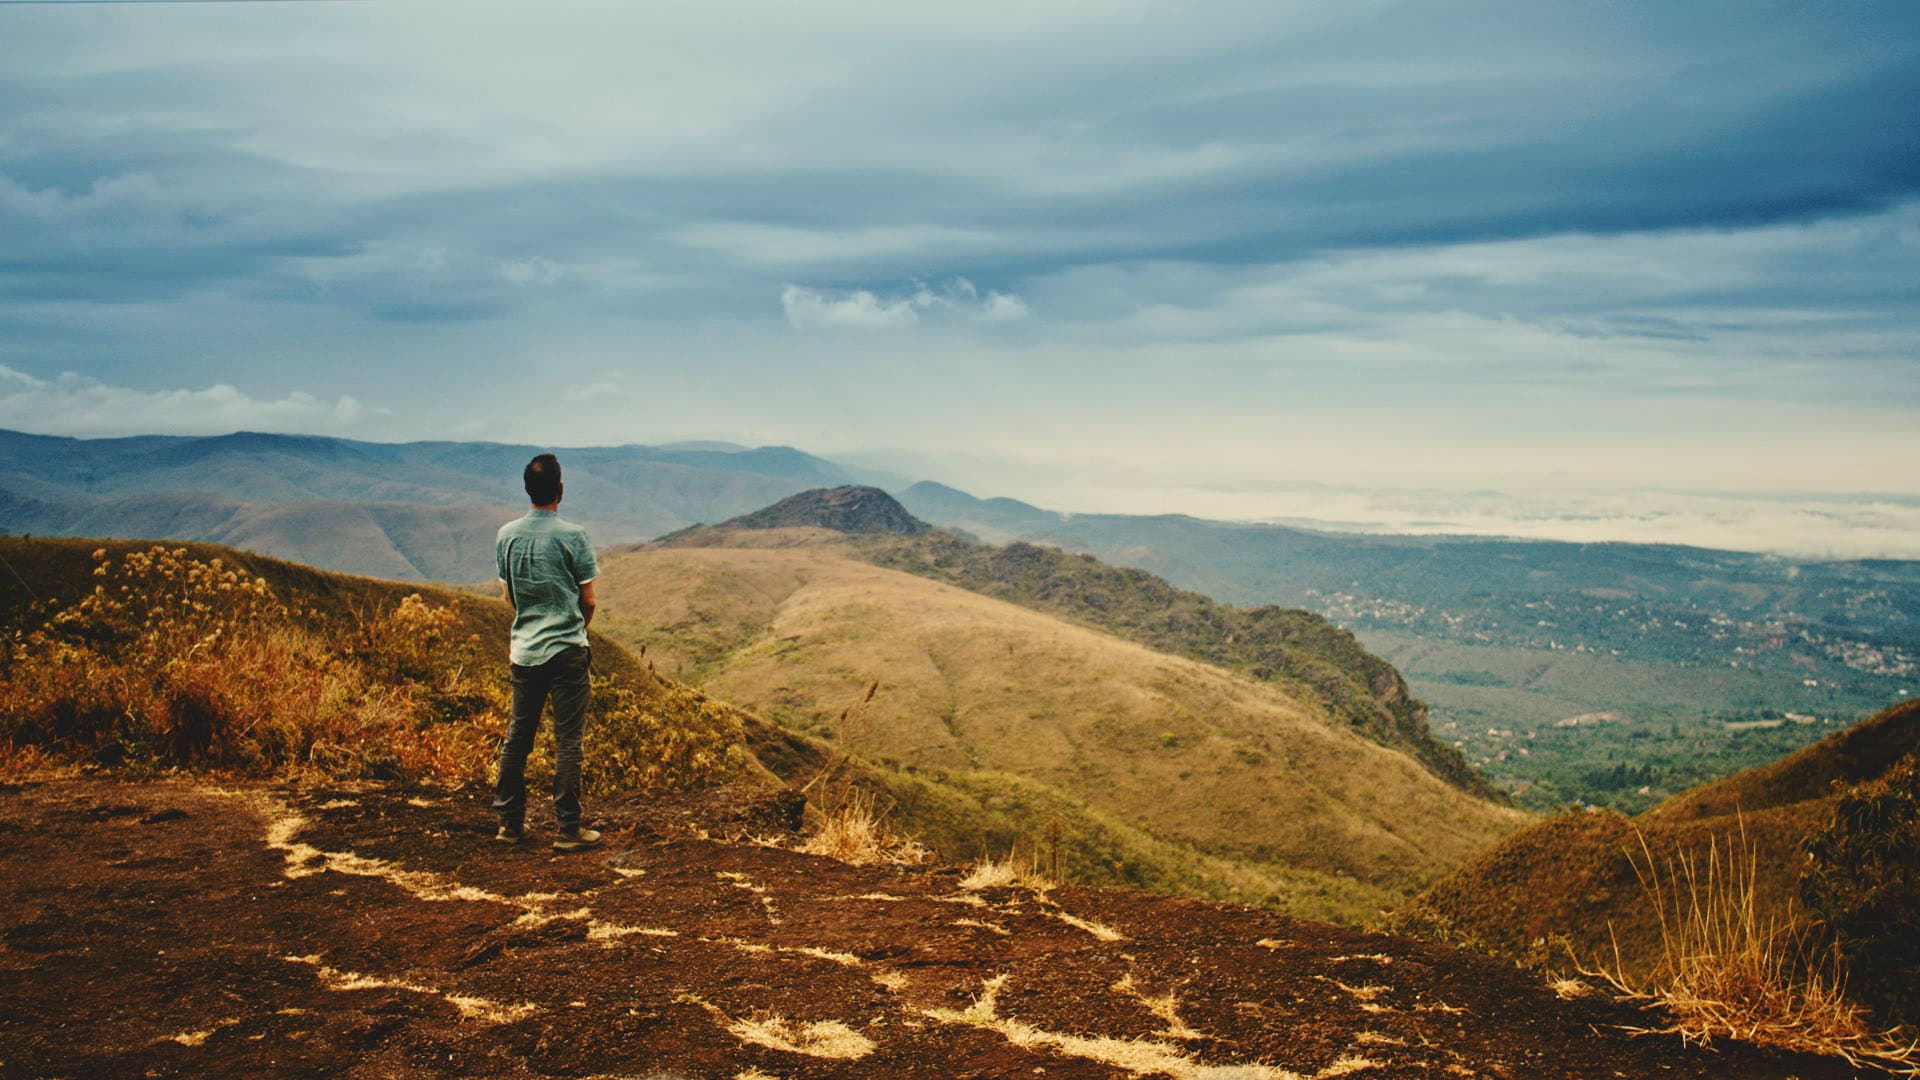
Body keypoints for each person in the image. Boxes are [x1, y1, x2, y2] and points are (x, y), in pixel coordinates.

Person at [493, 452, 602, 852]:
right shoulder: (573, 535)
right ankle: (568, 829)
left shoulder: (506, 535)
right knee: (568, 740)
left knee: (518, 736)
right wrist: (575, 628)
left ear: (527, 490)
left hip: (524, 650)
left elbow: (508, 594)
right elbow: (588, 600)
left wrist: (531, 621)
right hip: (567, 650)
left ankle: (509, 823)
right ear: (561, 489)